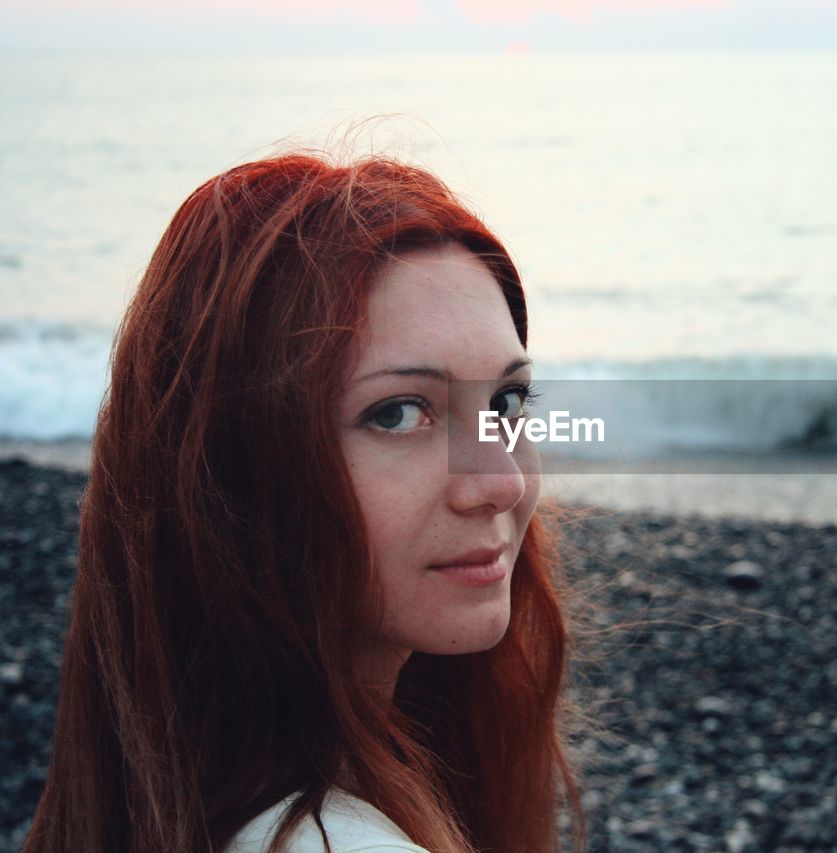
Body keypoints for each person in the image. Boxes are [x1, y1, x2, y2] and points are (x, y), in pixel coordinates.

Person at [22, 153, 583, 852]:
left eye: (504, 401)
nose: (501, 481)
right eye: (399, 413)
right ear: (231, 471)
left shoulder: (174, 795)